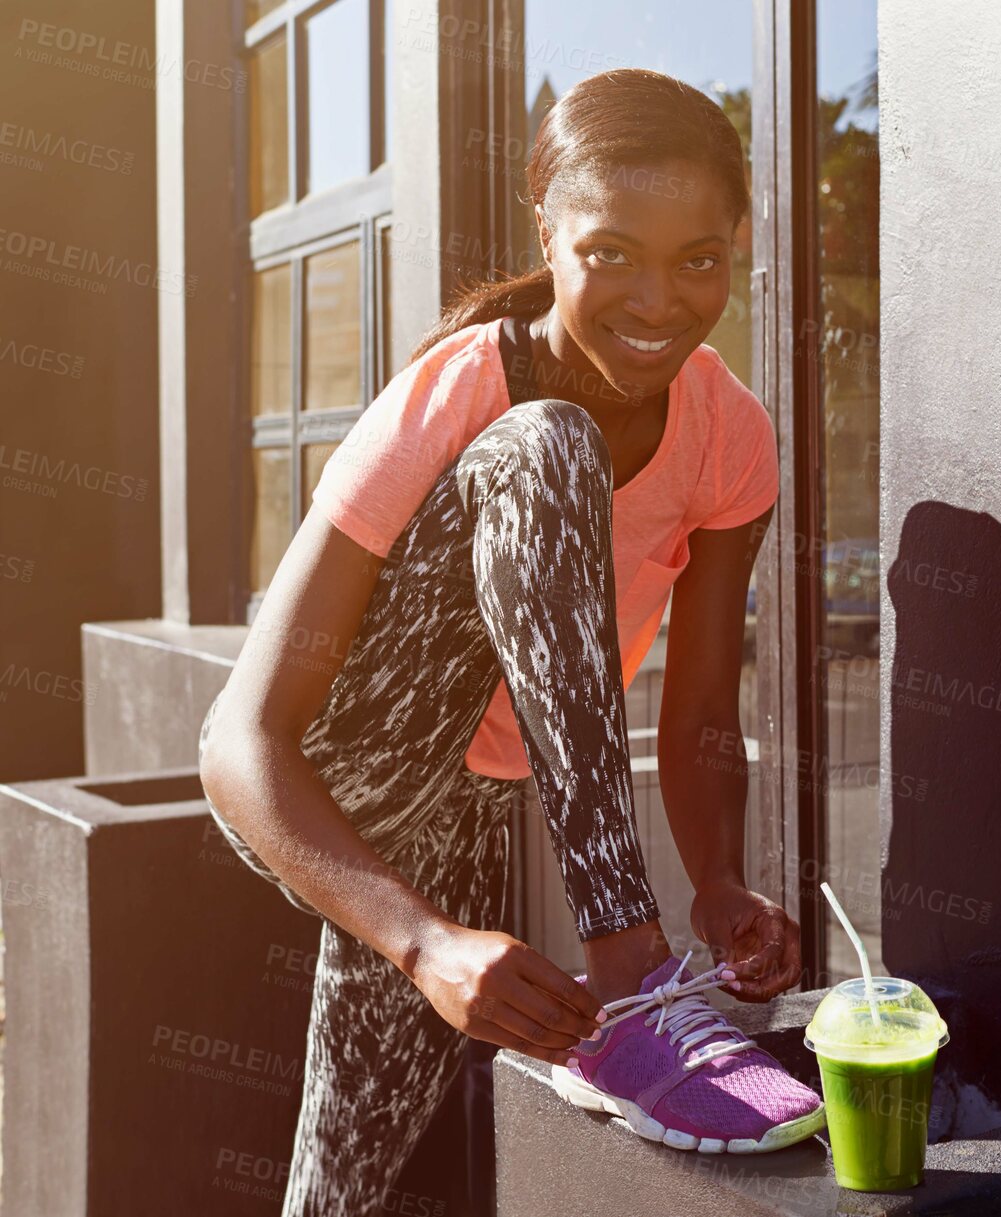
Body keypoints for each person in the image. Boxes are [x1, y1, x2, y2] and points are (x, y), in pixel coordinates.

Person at [198, 67, 823, 1216]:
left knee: (340, 1184)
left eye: (699, 259)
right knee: (550, 443)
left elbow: (695, 716)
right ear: (549, 231)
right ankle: (632, 977)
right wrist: (423, 941)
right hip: (344, 777)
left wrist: (723, 879)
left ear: (738, 243)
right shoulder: (459, 390)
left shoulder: (729, 431)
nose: (659, 299)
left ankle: (626, 983)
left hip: (471, 810)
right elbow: (238, 739)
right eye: (612, 252)